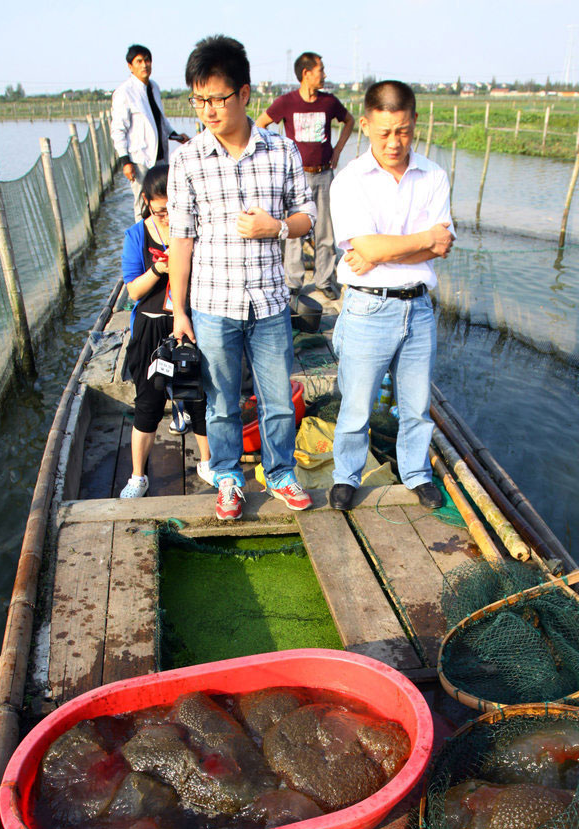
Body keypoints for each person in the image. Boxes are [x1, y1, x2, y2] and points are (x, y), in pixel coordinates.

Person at [167, 35, 317, 522]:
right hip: (213, 304)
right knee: (221, 402)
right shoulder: (188, 160)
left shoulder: (281, 150)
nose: (208, 109)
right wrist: (180, 311)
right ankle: (228, 477)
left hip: (271, 303)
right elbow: (182, 241)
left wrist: (275, 227)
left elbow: (307, 217)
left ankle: (280, 474)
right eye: (199, 99)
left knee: (277, 400)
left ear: (245, 93)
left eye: (217, 98)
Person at [328, 80, 455, 512]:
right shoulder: (350, 181)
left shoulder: (434, 175)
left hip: (418, 307)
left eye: (402, 130)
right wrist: (414, 244)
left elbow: (443, 244)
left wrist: (382, 250)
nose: (394, 142)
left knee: (417, 404)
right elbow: (371, 250)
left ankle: (416, 473)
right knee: (357, 404)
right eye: (383, 133)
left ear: (414, 122)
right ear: (364, 125)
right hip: (367, 305)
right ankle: (346, 476)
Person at [119, 165, 212, 499]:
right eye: (160, 211)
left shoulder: (194, 229)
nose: (168, 217)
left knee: (197, 395)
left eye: (174, 208)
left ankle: (207, 461)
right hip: (151, 324)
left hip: (187, 320)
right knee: (148, 401)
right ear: (146, 202)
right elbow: (133, 290)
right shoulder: (136, 236)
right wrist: (160, 266)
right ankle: (137, 476)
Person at [256, 53, 353, 300]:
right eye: (321, 70)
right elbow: (260, 124)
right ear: (306, 73)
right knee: (292, 230)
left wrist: (338, 149)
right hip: (295, 177)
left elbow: (349, 121)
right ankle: (293, 282)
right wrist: (275, 154)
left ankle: (324, 280)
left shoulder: (329, 102)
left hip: (323, 174)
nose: (325, 74)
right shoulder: (286, 102)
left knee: (325, 230)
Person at [111, 44, 190, 222]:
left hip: (160, 156)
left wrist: (176, 136)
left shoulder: (154, 87)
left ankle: (163, 238)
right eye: (139, 61)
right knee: (143, 201)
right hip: (140, 158)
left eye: (147, 60)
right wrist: (125, 161)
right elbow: (118, 130)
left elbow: (160, 120)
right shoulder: (124, 92)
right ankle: (142, 241)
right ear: (130, 66)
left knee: (164, 197)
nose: (144, 65)